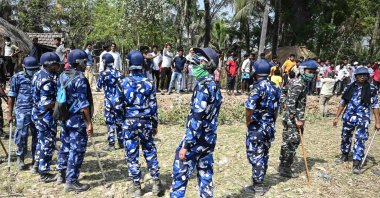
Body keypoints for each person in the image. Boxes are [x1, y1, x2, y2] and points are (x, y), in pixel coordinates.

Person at [170, 48, 222, 197]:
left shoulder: (203, 87)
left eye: (198, 62)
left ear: (207, 65)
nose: (194, 66)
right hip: (208, 139)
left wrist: (186, 145)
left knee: (180, 174)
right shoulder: (214, 86)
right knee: (205, 175)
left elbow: (197, 119)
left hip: (196, 140)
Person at [121, 50, 162, 197]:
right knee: (150, 151)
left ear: (129, 64)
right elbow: (153, 106)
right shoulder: (149, 82)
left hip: (129, 122)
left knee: (132, 154)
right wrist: (155, 124)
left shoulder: (123, 82)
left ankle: (137, 186)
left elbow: (118, 106)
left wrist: (122, 121)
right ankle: (156, 183)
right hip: (145, 122)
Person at [55, 49, 93, 192]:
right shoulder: (80, 79)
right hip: (76, 120)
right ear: (78, 62)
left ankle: (61, 173)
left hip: (65, 117)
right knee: (76, 150)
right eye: (84, 62)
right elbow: (84, 105)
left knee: (65, 146)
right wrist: (89, 123)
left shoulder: (62, 75)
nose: (85, 64)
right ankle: (71, 181)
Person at [333, 67, 380, 174]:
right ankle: (344, 155)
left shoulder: (372, 89)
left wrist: (378, 121)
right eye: (360, 75)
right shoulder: (349, 87)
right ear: (356, 76)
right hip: (348, 117)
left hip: (363, 118)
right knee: (345, 136)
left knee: (360, 139)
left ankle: (356, 163)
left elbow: (375, 105)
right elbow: (343, 102)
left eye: (365, 75)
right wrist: (336, 117)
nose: (363, 77)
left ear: (368, 76)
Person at [245, 59, 281, 196]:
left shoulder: (257, 87)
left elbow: (249, 107)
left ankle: (258, 185)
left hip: (257, 127)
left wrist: (248, 121)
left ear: (256, 72)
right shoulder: (275, 87)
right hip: (269, 126)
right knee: (264, 153)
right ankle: (259, 180)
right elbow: (277, 109)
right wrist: (272, 122)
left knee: (256, 154)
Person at [278, 59, 318, 178]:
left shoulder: (294, 81)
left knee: (286, 143)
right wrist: (296, 119)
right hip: (293, 120)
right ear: (302, 70)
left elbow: (283, 93)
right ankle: (285, 169)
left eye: (313, 72)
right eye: (309, 71)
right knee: (292, 143)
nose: (311, 74)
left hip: (290, 117)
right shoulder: (299, 84)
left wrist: (284, 105)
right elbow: (291, 102)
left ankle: (283, 166)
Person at [32, 52, 61, 182]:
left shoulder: (38, 74)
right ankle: (44, 173)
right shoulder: (47, 80)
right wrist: (61, 101)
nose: (58, 67)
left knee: (41, 141)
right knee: (48, 144)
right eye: (56, 64)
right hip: (45, 116)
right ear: (50, 65)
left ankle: (37, 165)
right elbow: (47, 103)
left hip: (37, 114)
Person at [7, 56, 40, 170]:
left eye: (35, 69)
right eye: (31, 69)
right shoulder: (17, 77)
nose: (33, 71)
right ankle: (20, 158)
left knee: (37, 135)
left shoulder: (40, 76)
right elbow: (11, 97)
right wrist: (9, 114)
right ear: (24, 68)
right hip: (22, 111)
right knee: (21, 135)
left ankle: (35, 159)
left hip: (37, 111)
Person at [97, 53, 124, 151]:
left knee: (110, 123)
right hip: (119, 102)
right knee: (119, 122)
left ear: (104, 62)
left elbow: (98, 86)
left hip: (109, 102)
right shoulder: (119, 73)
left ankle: (111, 144)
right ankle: (121, 142)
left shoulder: (103, 74)